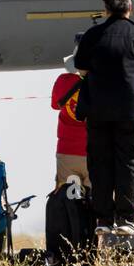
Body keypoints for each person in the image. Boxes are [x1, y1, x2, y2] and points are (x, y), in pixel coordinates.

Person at [73, 0, 134, 236]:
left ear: (105, 8)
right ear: (130, 7)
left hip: (98, 112)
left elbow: (82, 69)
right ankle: (125, 218)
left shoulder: (92, 35)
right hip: (131, 112)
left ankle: (103, 219)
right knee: (129, 164)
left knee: (100, 164)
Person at [51, 54, 89, 190]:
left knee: (67, 201)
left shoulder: (62, 80)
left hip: (67, 152)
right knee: (97, 202)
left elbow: (55, 105)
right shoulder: (103, 82)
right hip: (96, 151)